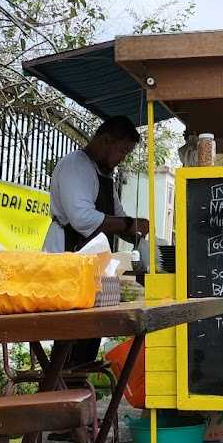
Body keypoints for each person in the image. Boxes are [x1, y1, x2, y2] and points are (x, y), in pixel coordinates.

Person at [44, 115, 149, 370]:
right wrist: (128, 224)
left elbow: (118, 214)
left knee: (90, 338)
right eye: (122, 150)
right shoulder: (75, 166)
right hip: (68, 262)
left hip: (93, 270)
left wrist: (138, 230)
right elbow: (82, 219)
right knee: (70, 337)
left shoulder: (103, 173)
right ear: (105, 141)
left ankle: (78, 393)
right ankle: (62, 394)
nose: (123, 157)